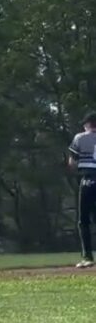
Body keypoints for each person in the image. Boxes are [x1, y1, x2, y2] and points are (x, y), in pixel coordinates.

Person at [68, 112, 96, 268]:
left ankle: (87, 256)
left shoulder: (80, 137)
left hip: (88, 179)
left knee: (84, 220)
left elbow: (72, 162)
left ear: (88, 124)